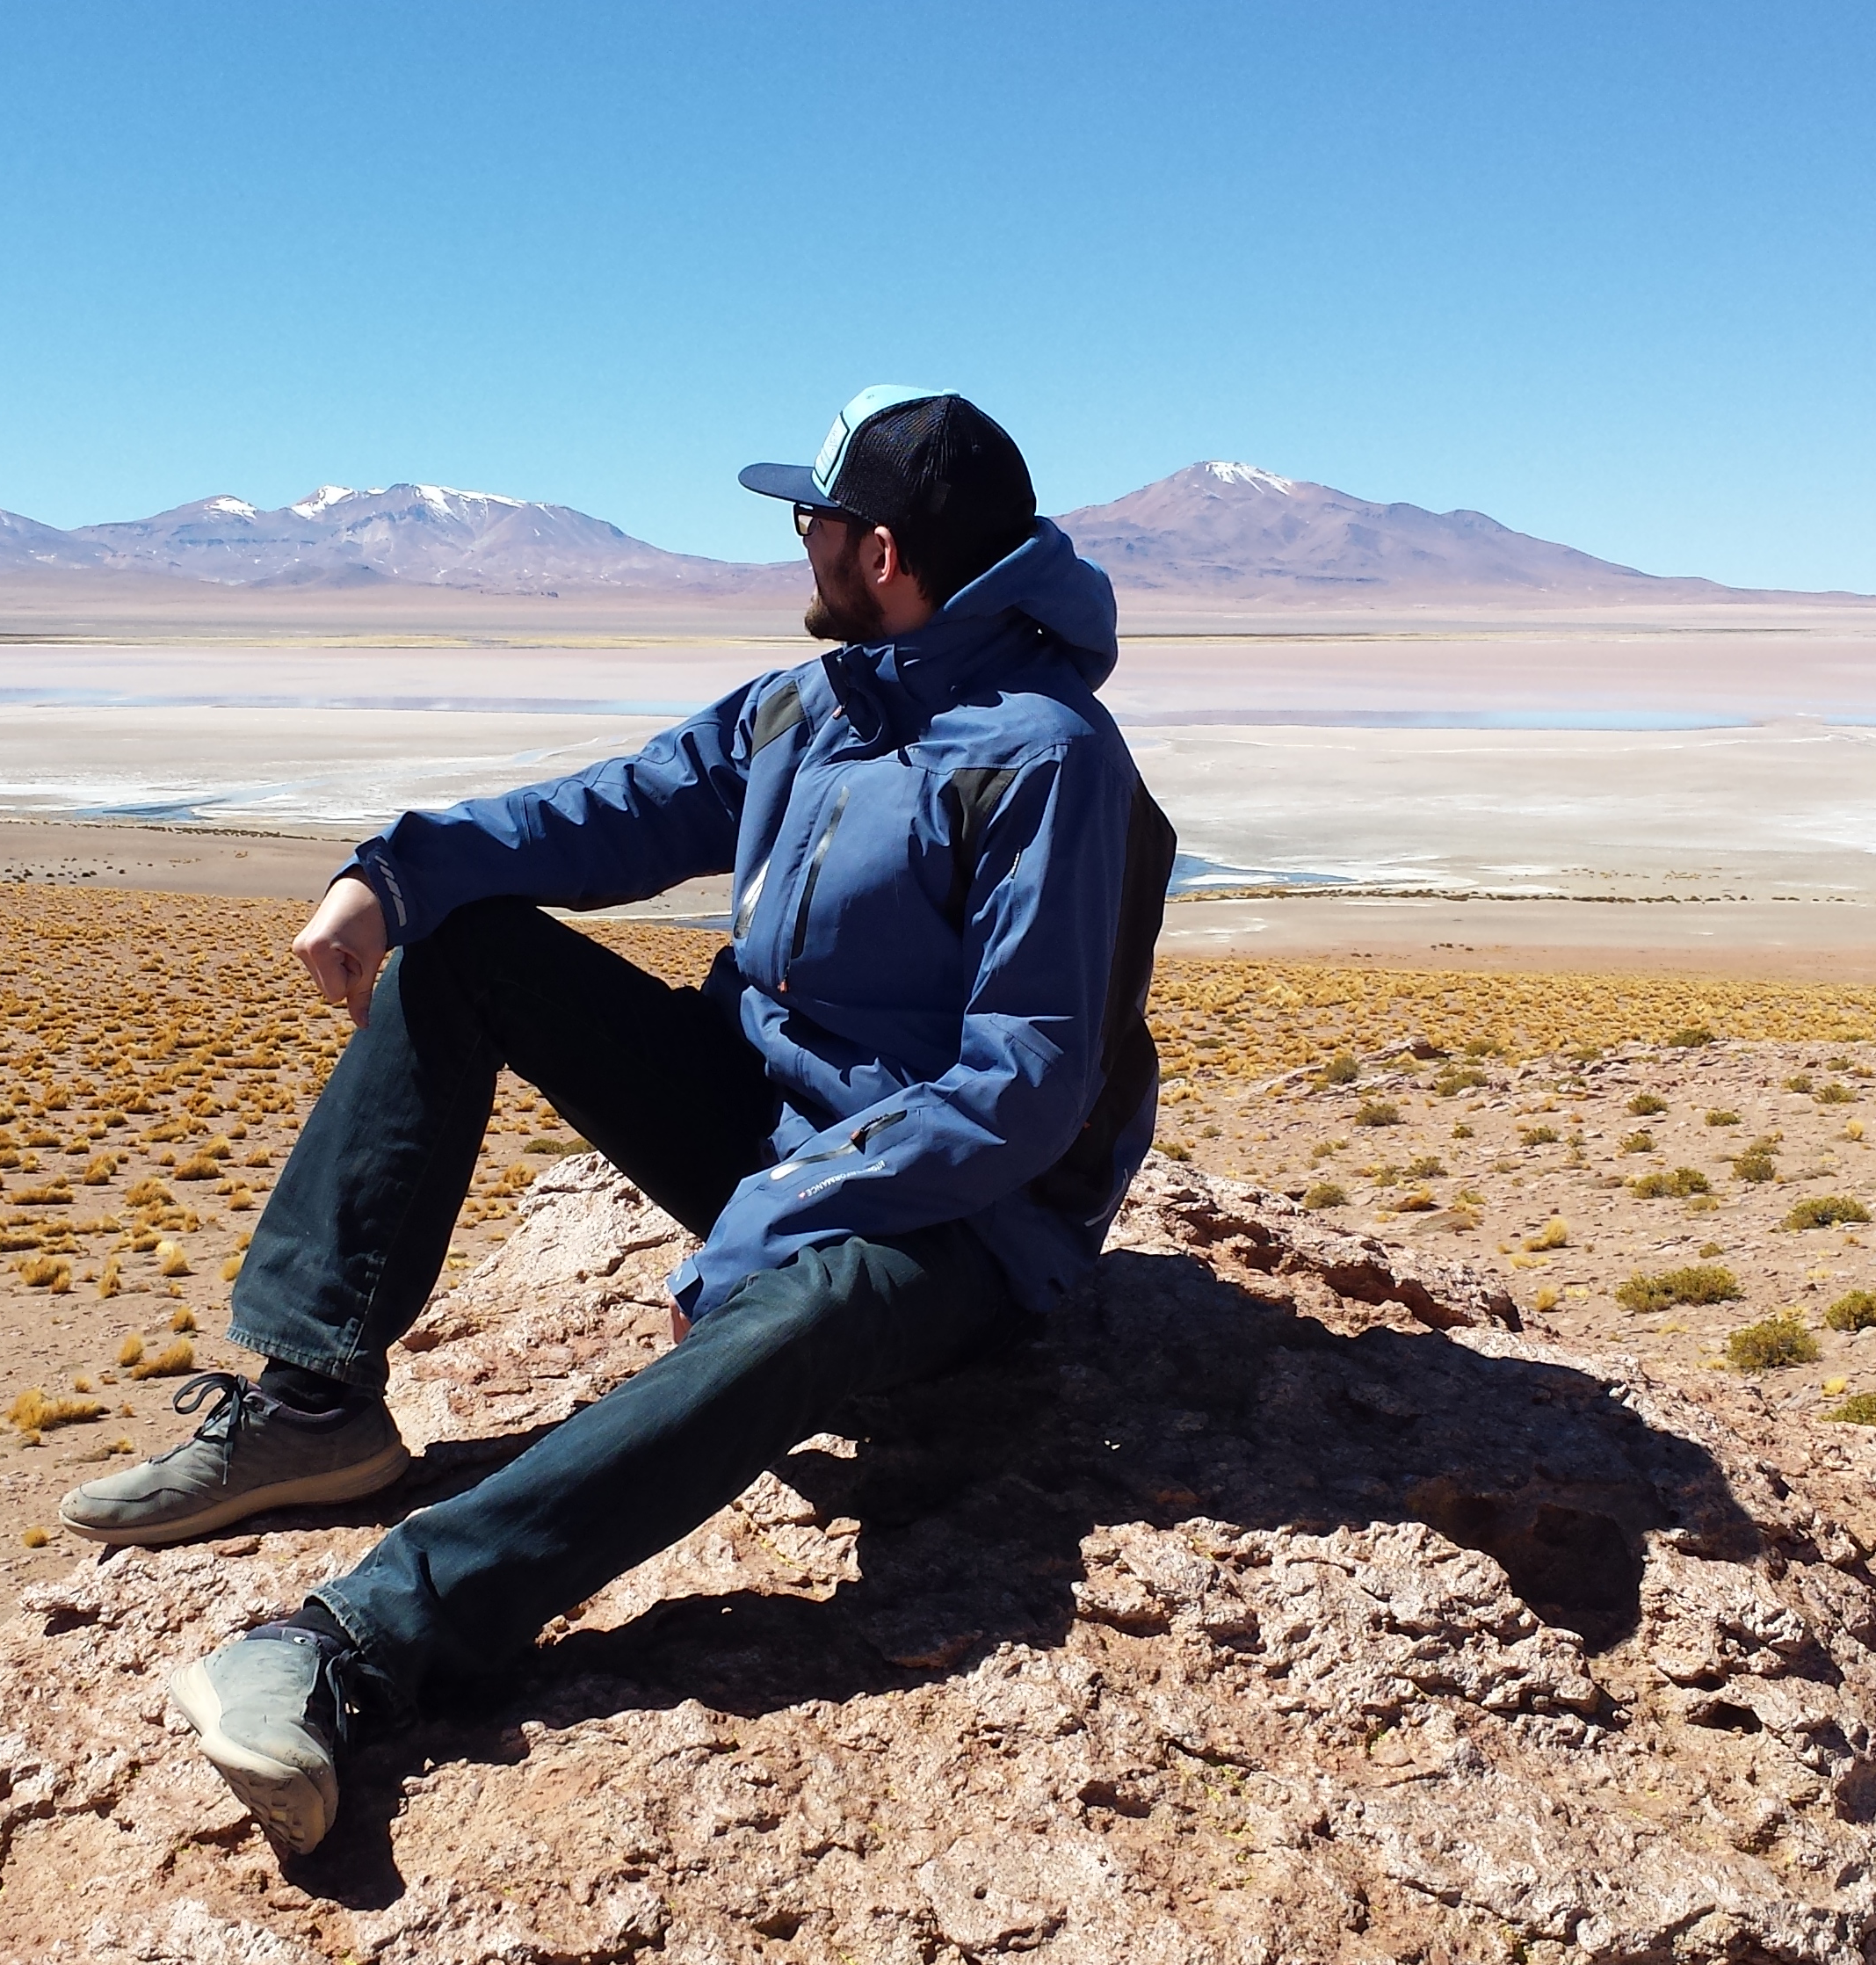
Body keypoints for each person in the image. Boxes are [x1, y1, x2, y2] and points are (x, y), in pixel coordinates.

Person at [56, 387, 1174, 1853]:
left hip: (957, 1215)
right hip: (770, 1124)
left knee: (812, 1303)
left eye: (814, 519)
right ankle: (315, 1408)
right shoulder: (819, 705)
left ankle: (361, 1642)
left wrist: (783, 1210)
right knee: (466, 939)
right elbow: (616, 810)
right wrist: (396, 874)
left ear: (882, 552)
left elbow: (1027, 1080)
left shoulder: (1044, 756)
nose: (800, 543)